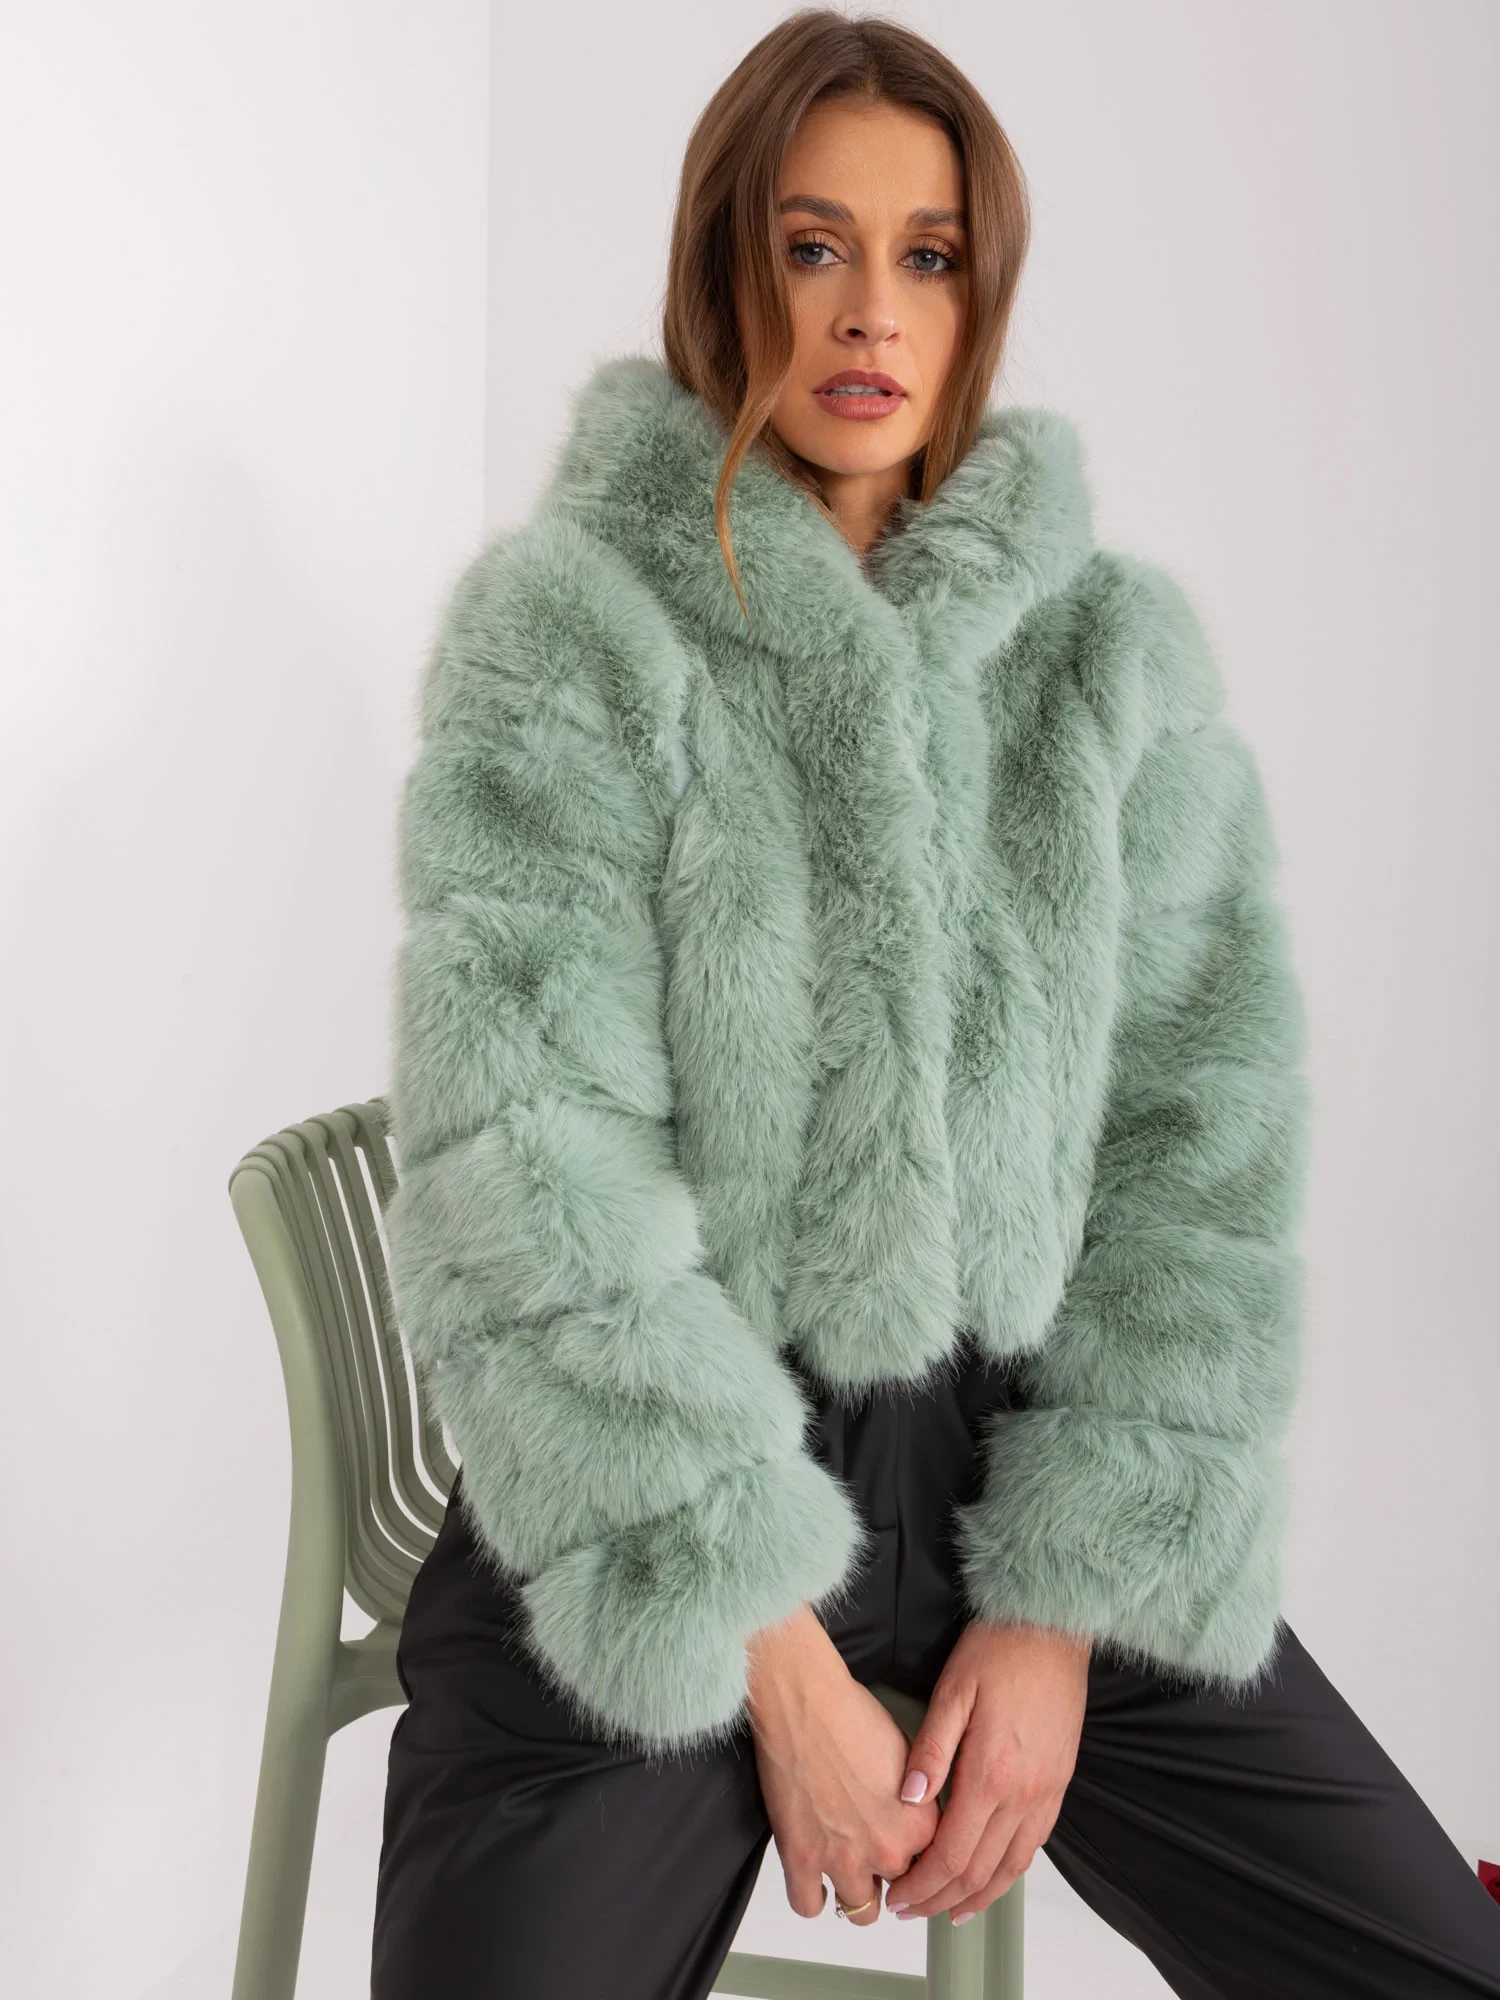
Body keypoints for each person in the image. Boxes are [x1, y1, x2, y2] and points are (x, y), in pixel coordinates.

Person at [370, 12, 1500, 1997]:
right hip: (665, 1482)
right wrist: (769, 1649)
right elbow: (529, 1175)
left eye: (931, 255)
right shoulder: (568, 637)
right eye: (813, 246)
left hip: (1020, 1467)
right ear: (726, 265)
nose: (870, 313)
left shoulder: (1109, 659)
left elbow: (1199, 1153)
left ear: (984, 294)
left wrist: (1062, 1602)